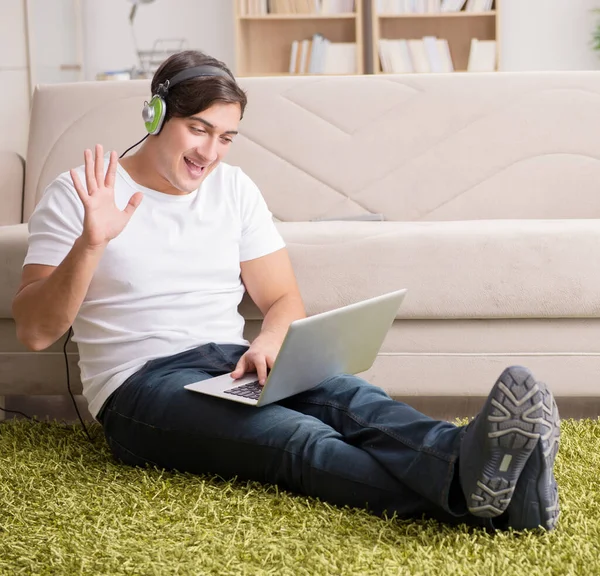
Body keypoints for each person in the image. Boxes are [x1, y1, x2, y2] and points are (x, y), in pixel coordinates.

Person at [12, 50, 560, 531]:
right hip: (139, 386)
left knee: (352, 399)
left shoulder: (233, 188)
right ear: (156, 115)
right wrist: (91, 242)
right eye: (198, 129)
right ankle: (491, 493)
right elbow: (37, 332)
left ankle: (475, 464)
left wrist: (270, 341)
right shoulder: (83, 195)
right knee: (294, 438)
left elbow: (282, 300)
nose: (210, 152)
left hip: (229, 365)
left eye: (225, 137)